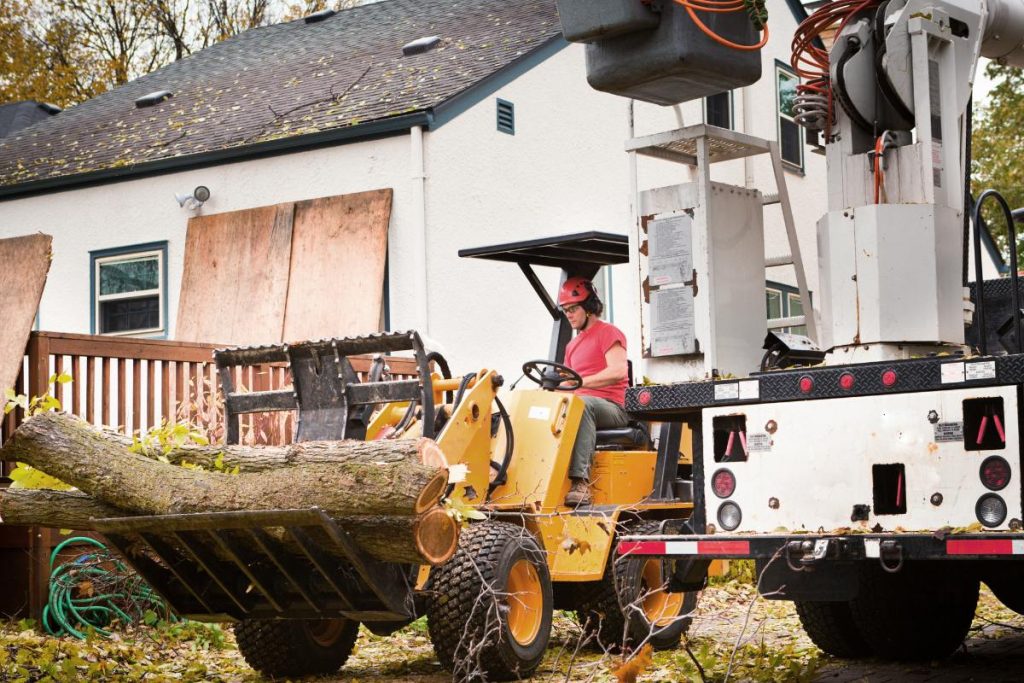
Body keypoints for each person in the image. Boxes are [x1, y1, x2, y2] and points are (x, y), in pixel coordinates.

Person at [558, 276, 630, 506]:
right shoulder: (572, 345)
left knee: (582, 405)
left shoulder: (609, 333)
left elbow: (618, 371)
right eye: (565, 310)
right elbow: (570, 385)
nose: (569, 314)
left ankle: (580, 481)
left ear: (588, 308)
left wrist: (581, 383)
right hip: (582, 404)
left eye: (573, 308)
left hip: (614, 408)